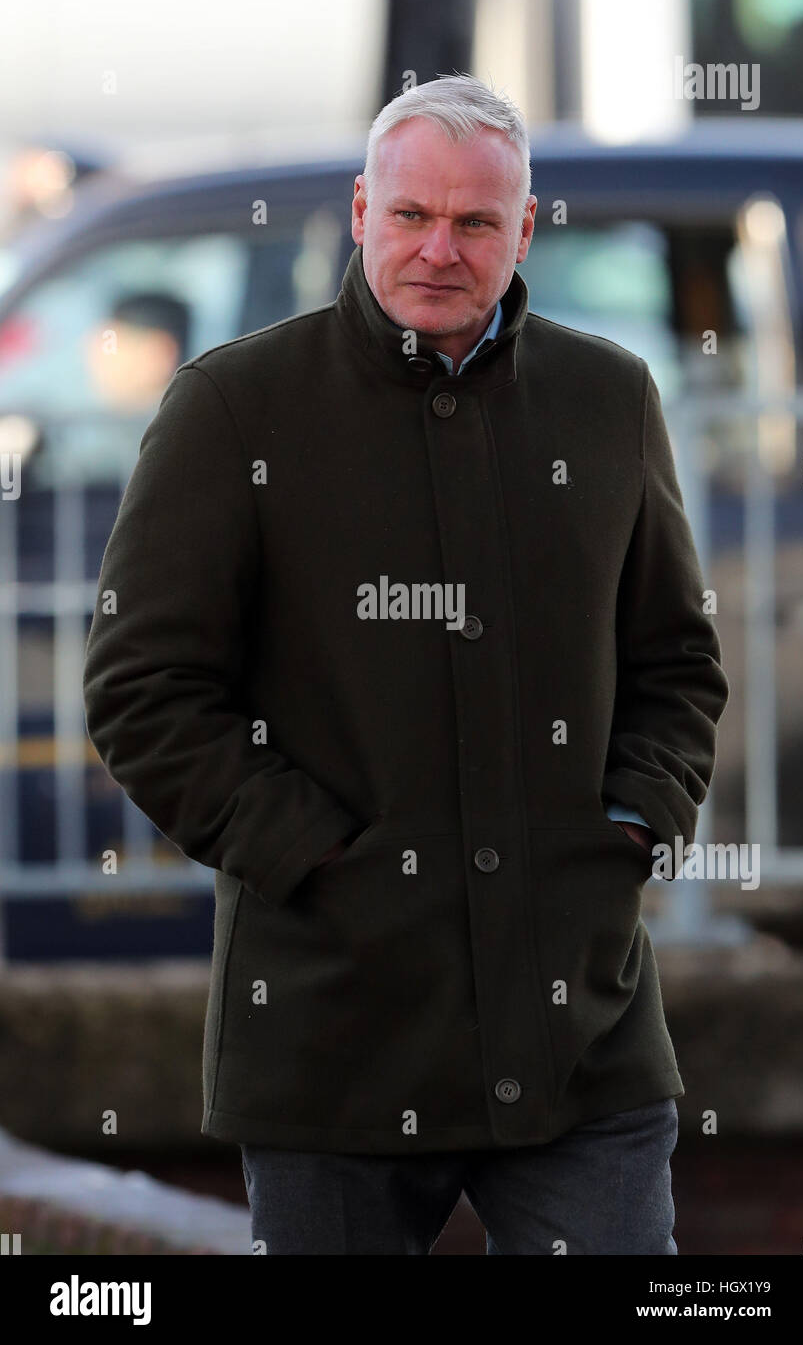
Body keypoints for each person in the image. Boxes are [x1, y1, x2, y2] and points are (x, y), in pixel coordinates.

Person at [82, 74, 730, 1255]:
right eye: (411, 215)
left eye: (475, 221)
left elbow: (674, 660)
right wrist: (312, 853)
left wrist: (634, 818)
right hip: (331, 1043)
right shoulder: (233, 408)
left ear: (524, 228)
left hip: (579, 1033)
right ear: (359, 211)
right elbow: (142, 687)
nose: (440, 248)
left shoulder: (607, 400)